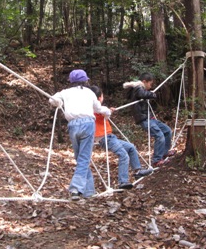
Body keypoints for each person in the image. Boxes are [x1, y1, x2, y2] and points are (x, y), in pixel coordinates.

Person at [49, 69, 112, 201]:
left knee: (80, 158)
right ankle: (76, 189)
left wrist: (59, 102)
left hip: (73, 125)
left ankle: (88, 191)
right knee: (83, 158)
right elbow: (98, 108)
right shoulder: (89, 92)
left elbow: (52, 100)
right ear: (85, 80)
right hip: (88, 124)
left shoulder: (65, 92)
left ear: (71, 81)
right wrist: (107, 112)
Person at [90, 85, 153, 189]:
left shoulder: (98, 109)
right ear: (99, 98)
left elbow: (104, 114)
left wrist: (109, 111)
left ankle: (137, 171)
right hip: (104, 138)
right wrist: (108, 111)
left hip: (110, 137)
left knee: (131, 147)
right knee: (123, 155)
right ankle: (123, 181)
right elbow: (102, 112)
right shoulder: (94, 109)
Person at [123, 72, 176, 167]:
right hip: (144, 119)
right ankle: (156, 160)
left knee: (167, 131)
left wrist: (150, 94)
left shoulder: (139, 88)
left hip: (150, 118)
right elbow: (142, 94)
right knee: (159, 136)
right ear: (144, 81)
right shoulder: (138, 88)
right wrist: (152, 95)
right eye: (150, 84)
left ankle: (163, 152)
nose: (151, 86)